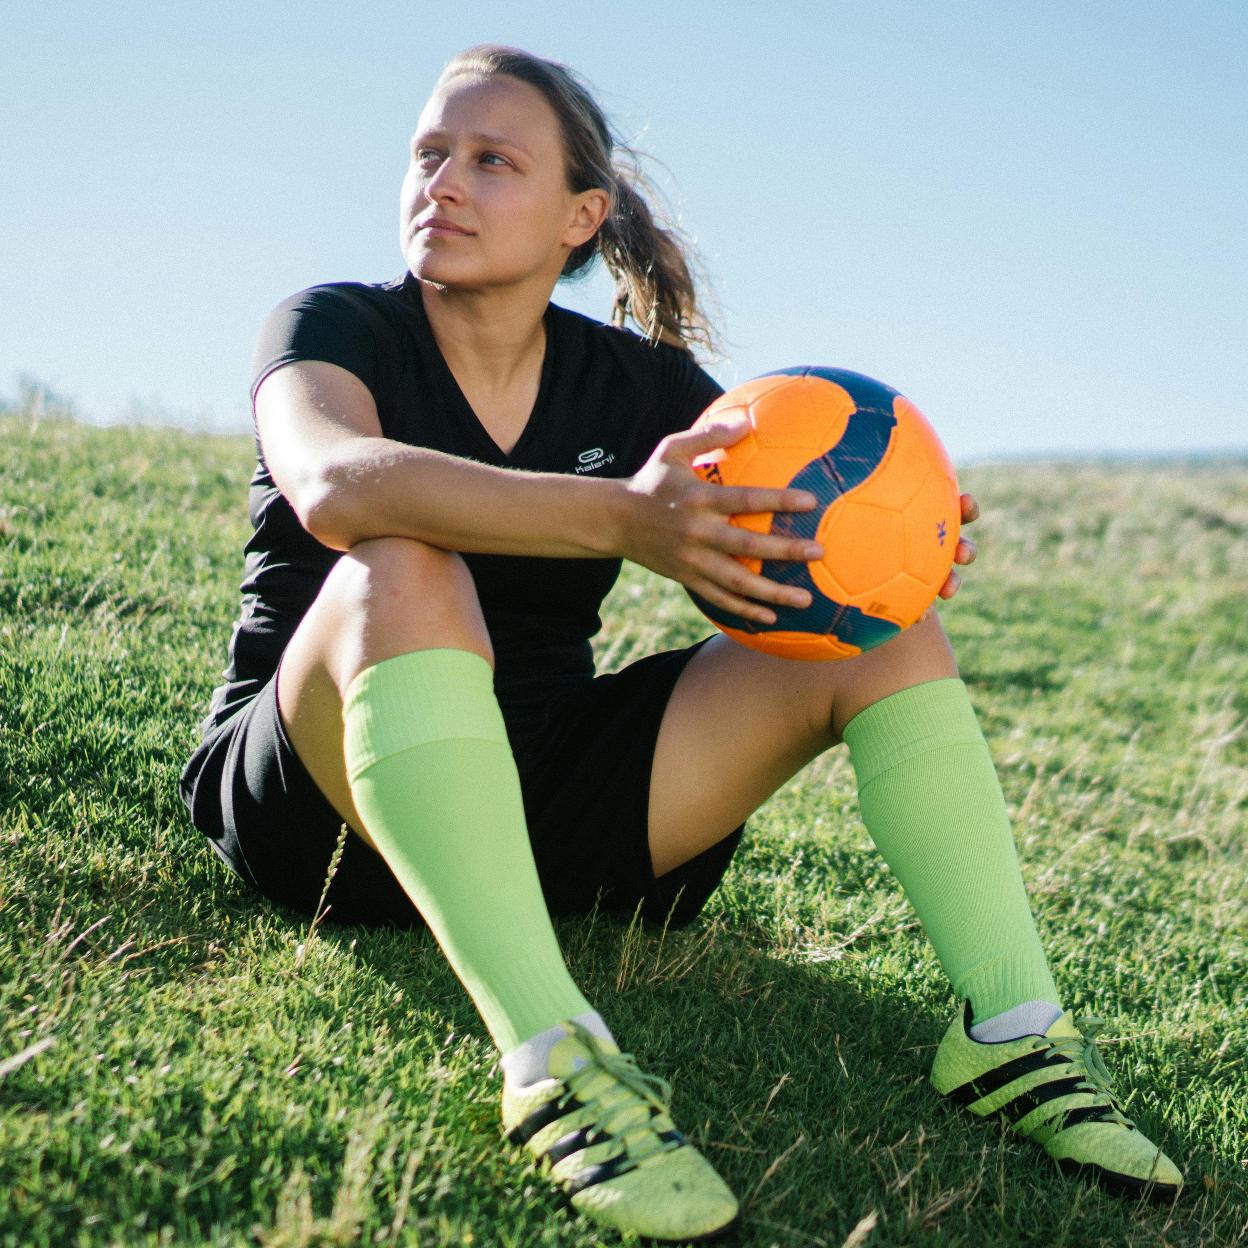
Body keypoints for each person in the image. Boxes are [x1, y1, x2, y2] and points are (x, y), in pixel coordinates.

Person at [178, 43, 1182, 1243]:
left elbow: (773, 523)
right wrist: (623, 518)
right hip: (321, 803)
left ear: (579, 218)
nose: (442, 182)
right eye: (429, 153)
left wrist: (887, 544)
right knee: (404, 561)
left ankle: (1014, 1037)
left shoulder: (639, 382)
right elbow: (336, 486)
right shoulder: (335, 325)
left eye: (493, 161)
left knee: (888, 633)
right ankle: (560, 1064)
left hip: (544, 793)